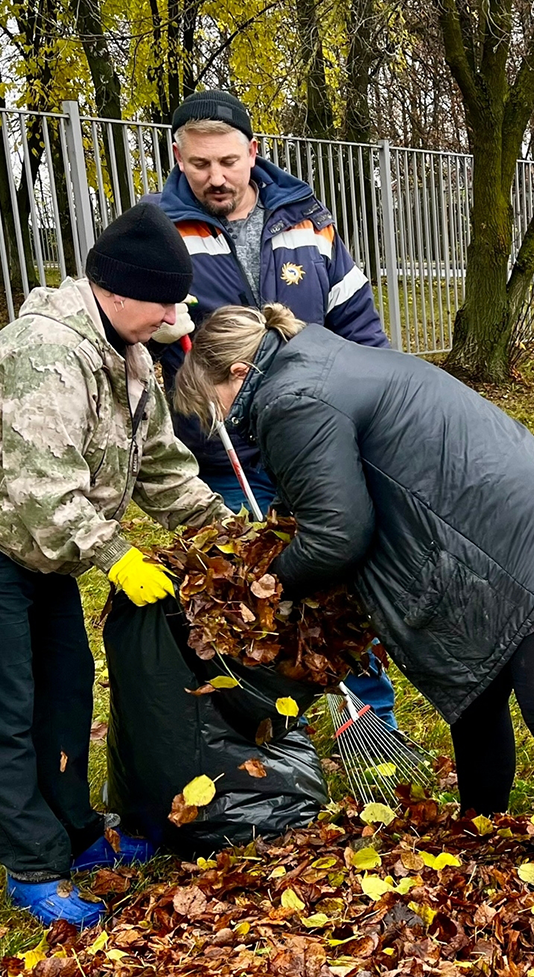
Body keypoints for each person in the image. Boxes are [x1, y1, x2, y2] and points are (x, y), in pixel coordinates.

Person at [173, 304, 534, 886]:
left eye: (211, 398)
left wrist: (279, 577)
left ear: (239, 373)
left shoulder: (290, 398)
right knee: (477, 698)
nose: (215, 415)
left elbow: (339, 532)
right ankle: (482, 829)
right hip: (502, 523)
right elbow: (336, 480)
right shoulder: (313, 360)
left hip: (520, 541)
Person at [0, 204, 231, 928]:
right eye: (164, 299)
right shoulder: (48, 354)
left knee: (65, 687)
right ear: (115, 289)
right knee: (5, 705)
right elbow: (41, 489)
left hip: (42, 550)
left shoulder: (132, 356)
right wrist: (117, 557)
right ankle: (32, 863)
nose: (173, 315)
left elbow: (160, 467)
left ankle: (79, 832)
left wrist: (225, 532)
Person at [142, 89, 396, 727]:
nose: (216, 177)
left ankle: (366, 713)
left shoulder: (305, 221)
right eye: (199, 164)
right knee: (244, 587)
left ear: (254, 152)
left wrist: (374, 408)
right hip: (219, 452)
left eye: (228, 161)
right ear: (178, 156)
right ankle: (266, 719)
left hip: (312, 437)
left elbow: (357, 324)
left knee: (337, 573)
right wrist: (157, 327)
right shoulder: (156, 229)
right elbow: (123, 324)